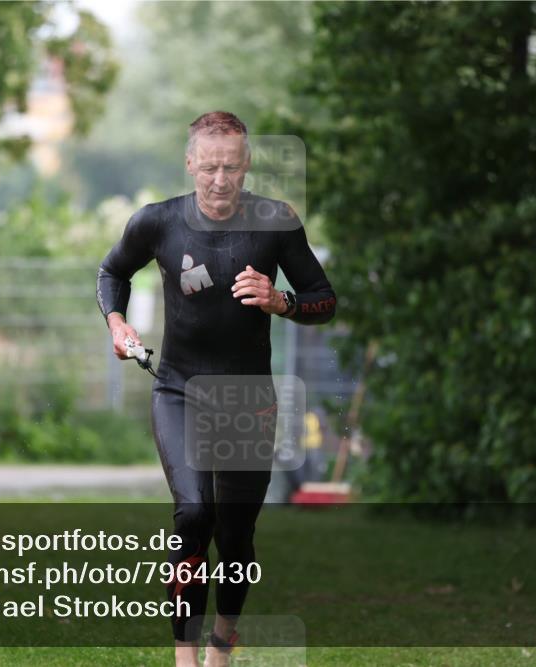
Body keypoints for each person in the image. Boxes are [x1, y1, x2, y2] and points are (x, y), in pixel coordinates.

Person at [96, 111, 336, 667]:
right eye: (209, 168)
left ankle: (221, 648)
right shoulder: (156, 222)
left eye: (230, 167)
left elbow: (324, 299)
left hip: (249, 401)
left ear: (246, 164)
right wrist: (117, 324)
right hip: (179, 389)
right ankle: (185, 660)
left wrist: (281, 301)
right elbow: (112, 273)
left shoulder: (276, 222)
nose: (220, 180)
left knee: (235, 535)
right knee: (193, 513)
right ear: (190, 164)